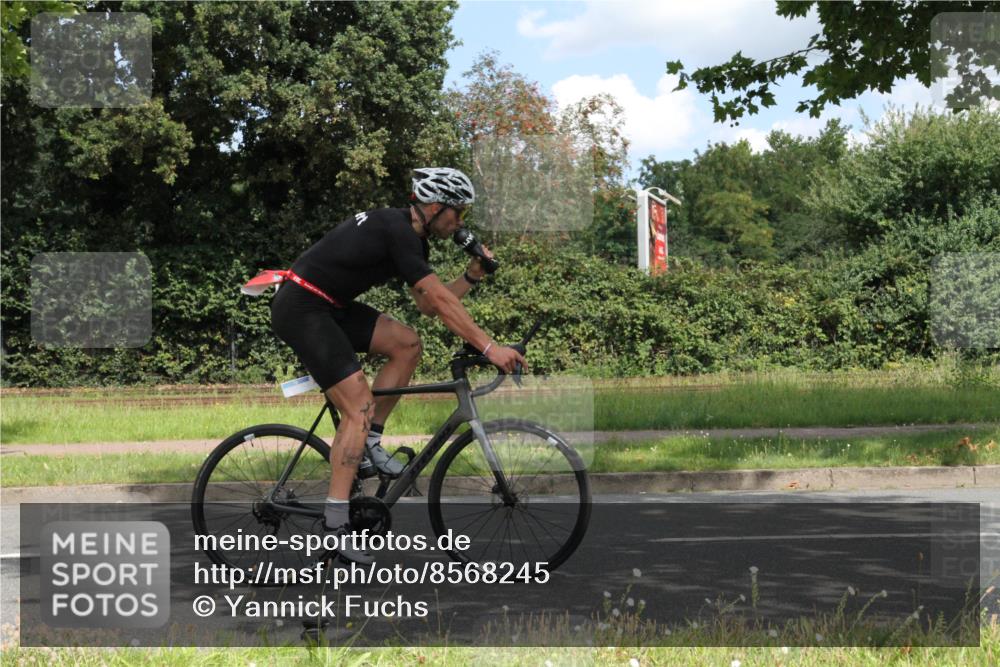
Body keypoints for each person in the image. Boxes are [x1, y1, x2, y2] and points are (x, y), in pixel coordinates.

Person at [269, 167, 527, 564]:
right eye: (457, 214)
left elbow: (427, 305)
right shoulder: (397, 228)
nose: (460, 223)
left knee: (406, 343)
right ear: (436, 206)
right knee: (357, 408)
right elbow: (437, 301)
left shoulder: (412, 241)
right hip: (304, 307)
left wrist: (472, 276)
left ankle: (369, 441)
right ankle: (334, 528)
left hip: (328, 306)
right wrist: (490, 348)